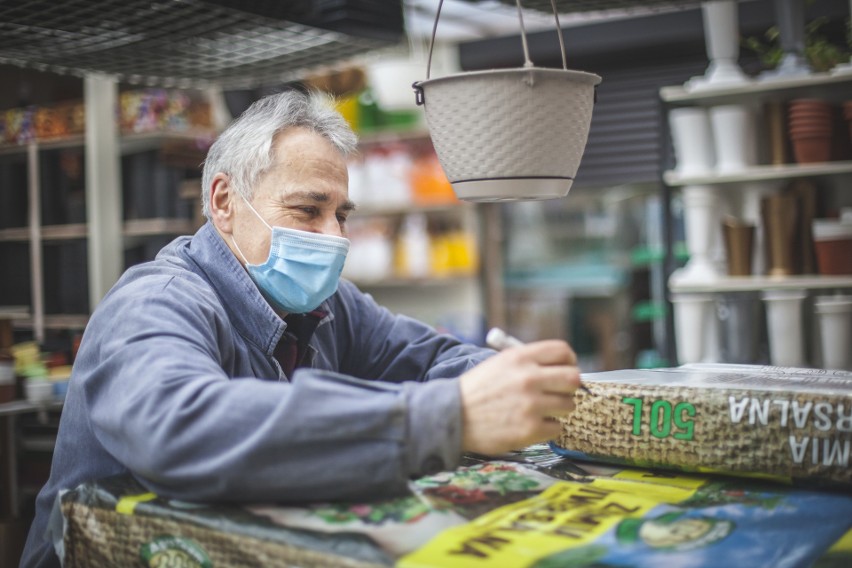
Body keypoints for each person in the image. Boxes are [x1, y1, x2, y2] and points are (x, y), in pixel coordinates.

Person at [20, 89, 581, 567]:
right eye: (308, 210)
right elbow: (181, 426)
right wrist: (444, 418)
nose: (334, 237)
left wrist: (512, 383)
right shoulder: (155, 302)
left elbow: (434, 359)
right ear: (224, 202)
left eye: (341, 214)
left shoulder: (333, 306)